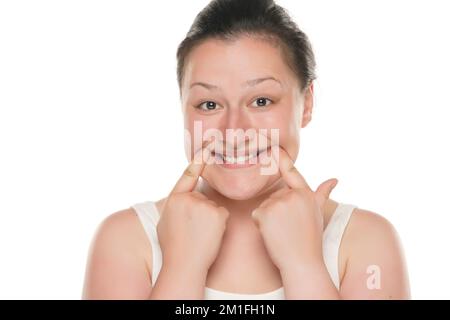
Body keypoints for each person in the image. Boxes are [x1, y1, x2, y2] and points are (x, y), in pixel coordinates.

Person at [82, 0, 410, 299]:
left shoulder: (367, 243)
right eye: (209, 104)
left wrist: (303, 265)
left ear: (306, 103)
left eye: (261, 101)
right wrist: (182, 268)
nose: (234, 131)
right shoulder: (125, 242)